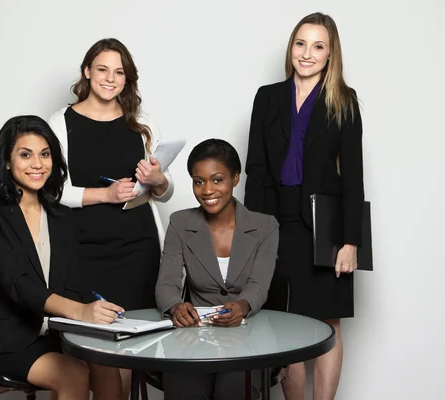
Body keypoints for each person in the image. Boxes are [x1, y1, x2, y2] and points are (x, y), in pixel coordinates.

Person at [244, 12, 364, 400]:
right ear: (290, 48)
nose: (307, 54)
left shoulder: (343, 101)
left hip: (327, 227)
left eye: (318, 46)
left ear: (331, 55)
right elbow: (256, 171)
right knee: (286, 324)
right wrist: (251, 236)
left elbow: (354, 176)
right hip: (277, 223)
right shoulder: (267, 98)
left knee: (329, 324)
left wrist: (351, 241)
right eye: (300, 43)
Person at [0, 115, 123, 400]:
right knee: (72, 373)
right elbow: (15, 281)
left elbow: (74, 283)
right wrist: (78, 311)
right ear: (7, 161)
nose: (38, 164)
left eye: (45, 154)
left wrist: (98, 310)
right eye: (25, 154)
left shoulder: (63, 217)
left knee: (107, 364)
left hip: (50, 334)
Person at [48, 38, 173, 398]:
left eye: (119, 72)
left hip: (139, 252)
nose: (110, 78)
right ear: (87, 72)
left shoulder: (142, 123)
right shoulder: (61, 122)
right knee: (100, 353)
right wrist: (103, 194)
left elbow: (164, 192)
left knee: (136, 350)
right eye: (102, 69)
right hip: (84, 252)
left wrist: (158, 180)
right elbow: (50, 189)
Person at [155, 139, 279, 400]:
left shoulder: (265, 226)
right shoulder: (180, 222)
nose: (207, 190)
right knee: (183, 391)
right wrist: (176, 306)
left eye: (217, 180)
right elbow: (167, 283)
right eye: (198, 181)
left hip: (248, 338)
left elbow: (259, 284)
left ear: (235, 178)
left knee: (234, 389)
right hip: (193, 338)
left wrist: (243, 305)